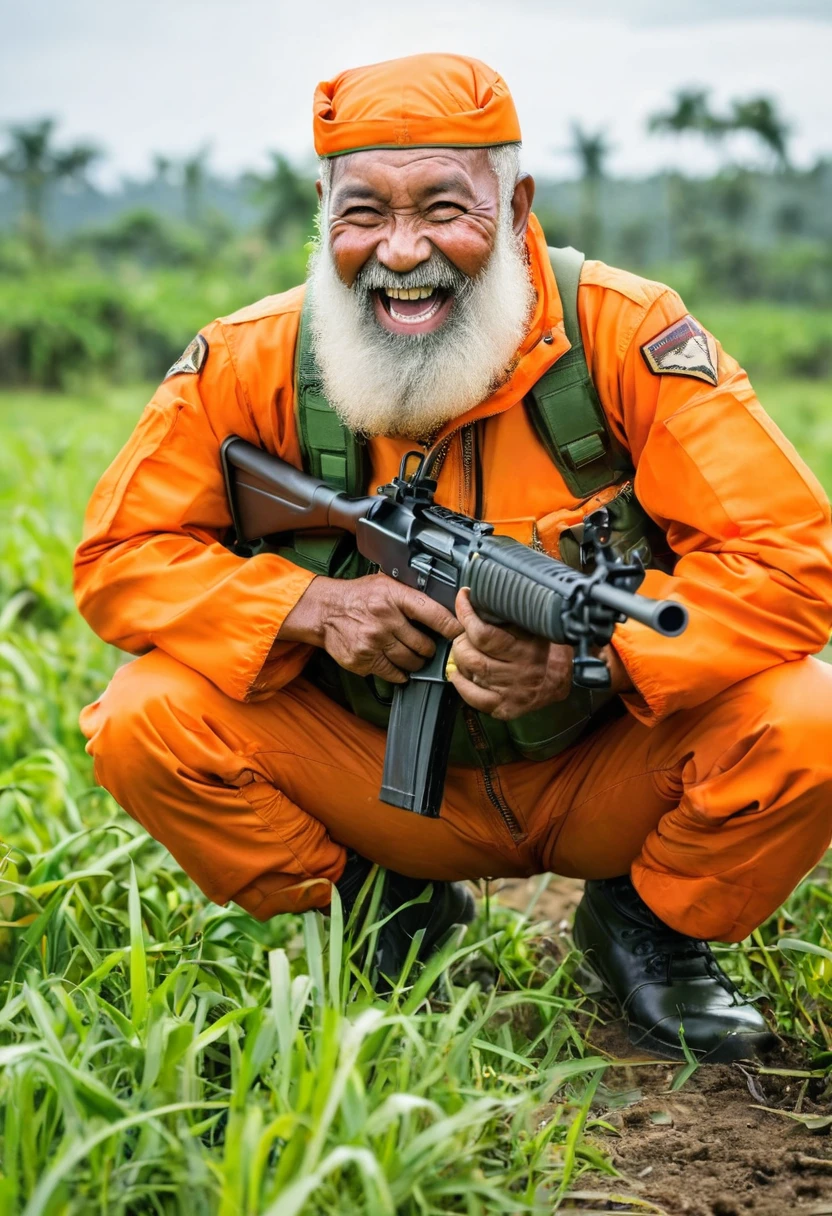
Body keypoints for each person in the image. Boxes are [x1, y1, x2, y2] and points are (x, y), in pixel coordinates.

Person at [75, 53, 832, 1061]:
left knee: (809, 719)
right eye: (363, 214)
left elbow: (794, 562)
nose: (400, 252)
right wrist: (311, 607)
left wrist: (594, 658)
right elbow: (119, 558)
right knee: (142, 720)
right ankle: (386, 914)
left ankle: (650, 926)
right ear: (321, 211)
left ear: (515, 201)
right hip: (375, 791)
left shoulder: (623, 333)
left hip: (603, 772)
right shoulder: (251, 359)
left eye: (443, 207)